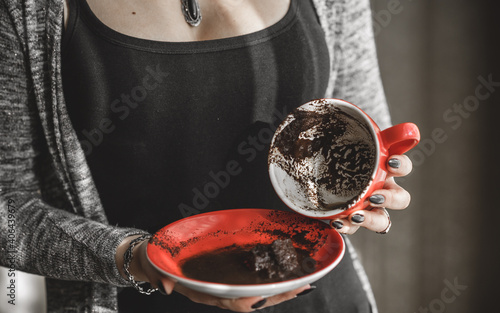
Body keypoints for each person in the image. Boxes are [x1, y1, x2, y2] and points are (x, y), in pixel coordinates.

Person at [0, 0, 414, 312]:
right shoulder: (28, 11)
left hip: (320, 299)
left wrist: (366, 188)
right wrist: (137, 258)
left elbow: (366, 123)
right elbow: (6, 204)